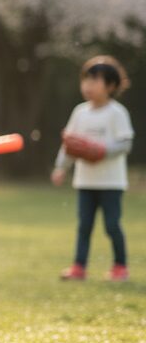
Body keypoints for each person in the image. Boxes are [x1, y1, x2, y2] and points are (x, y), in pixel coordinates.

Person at [52, 56, 134, 282]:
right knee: (84, 226)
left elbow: (125, 144)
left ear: (111, 86)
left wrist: (100, 150)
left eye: (95, 81)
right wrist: (61, 167)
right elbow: (68, 144)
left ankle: (120, 266)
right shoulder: (80, 112)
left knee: (111, 225)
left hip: (111, 182)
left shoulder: (117, 113)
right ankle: (79, 267)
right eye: (85, 80)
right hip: (85, 181)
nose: (87, 86)